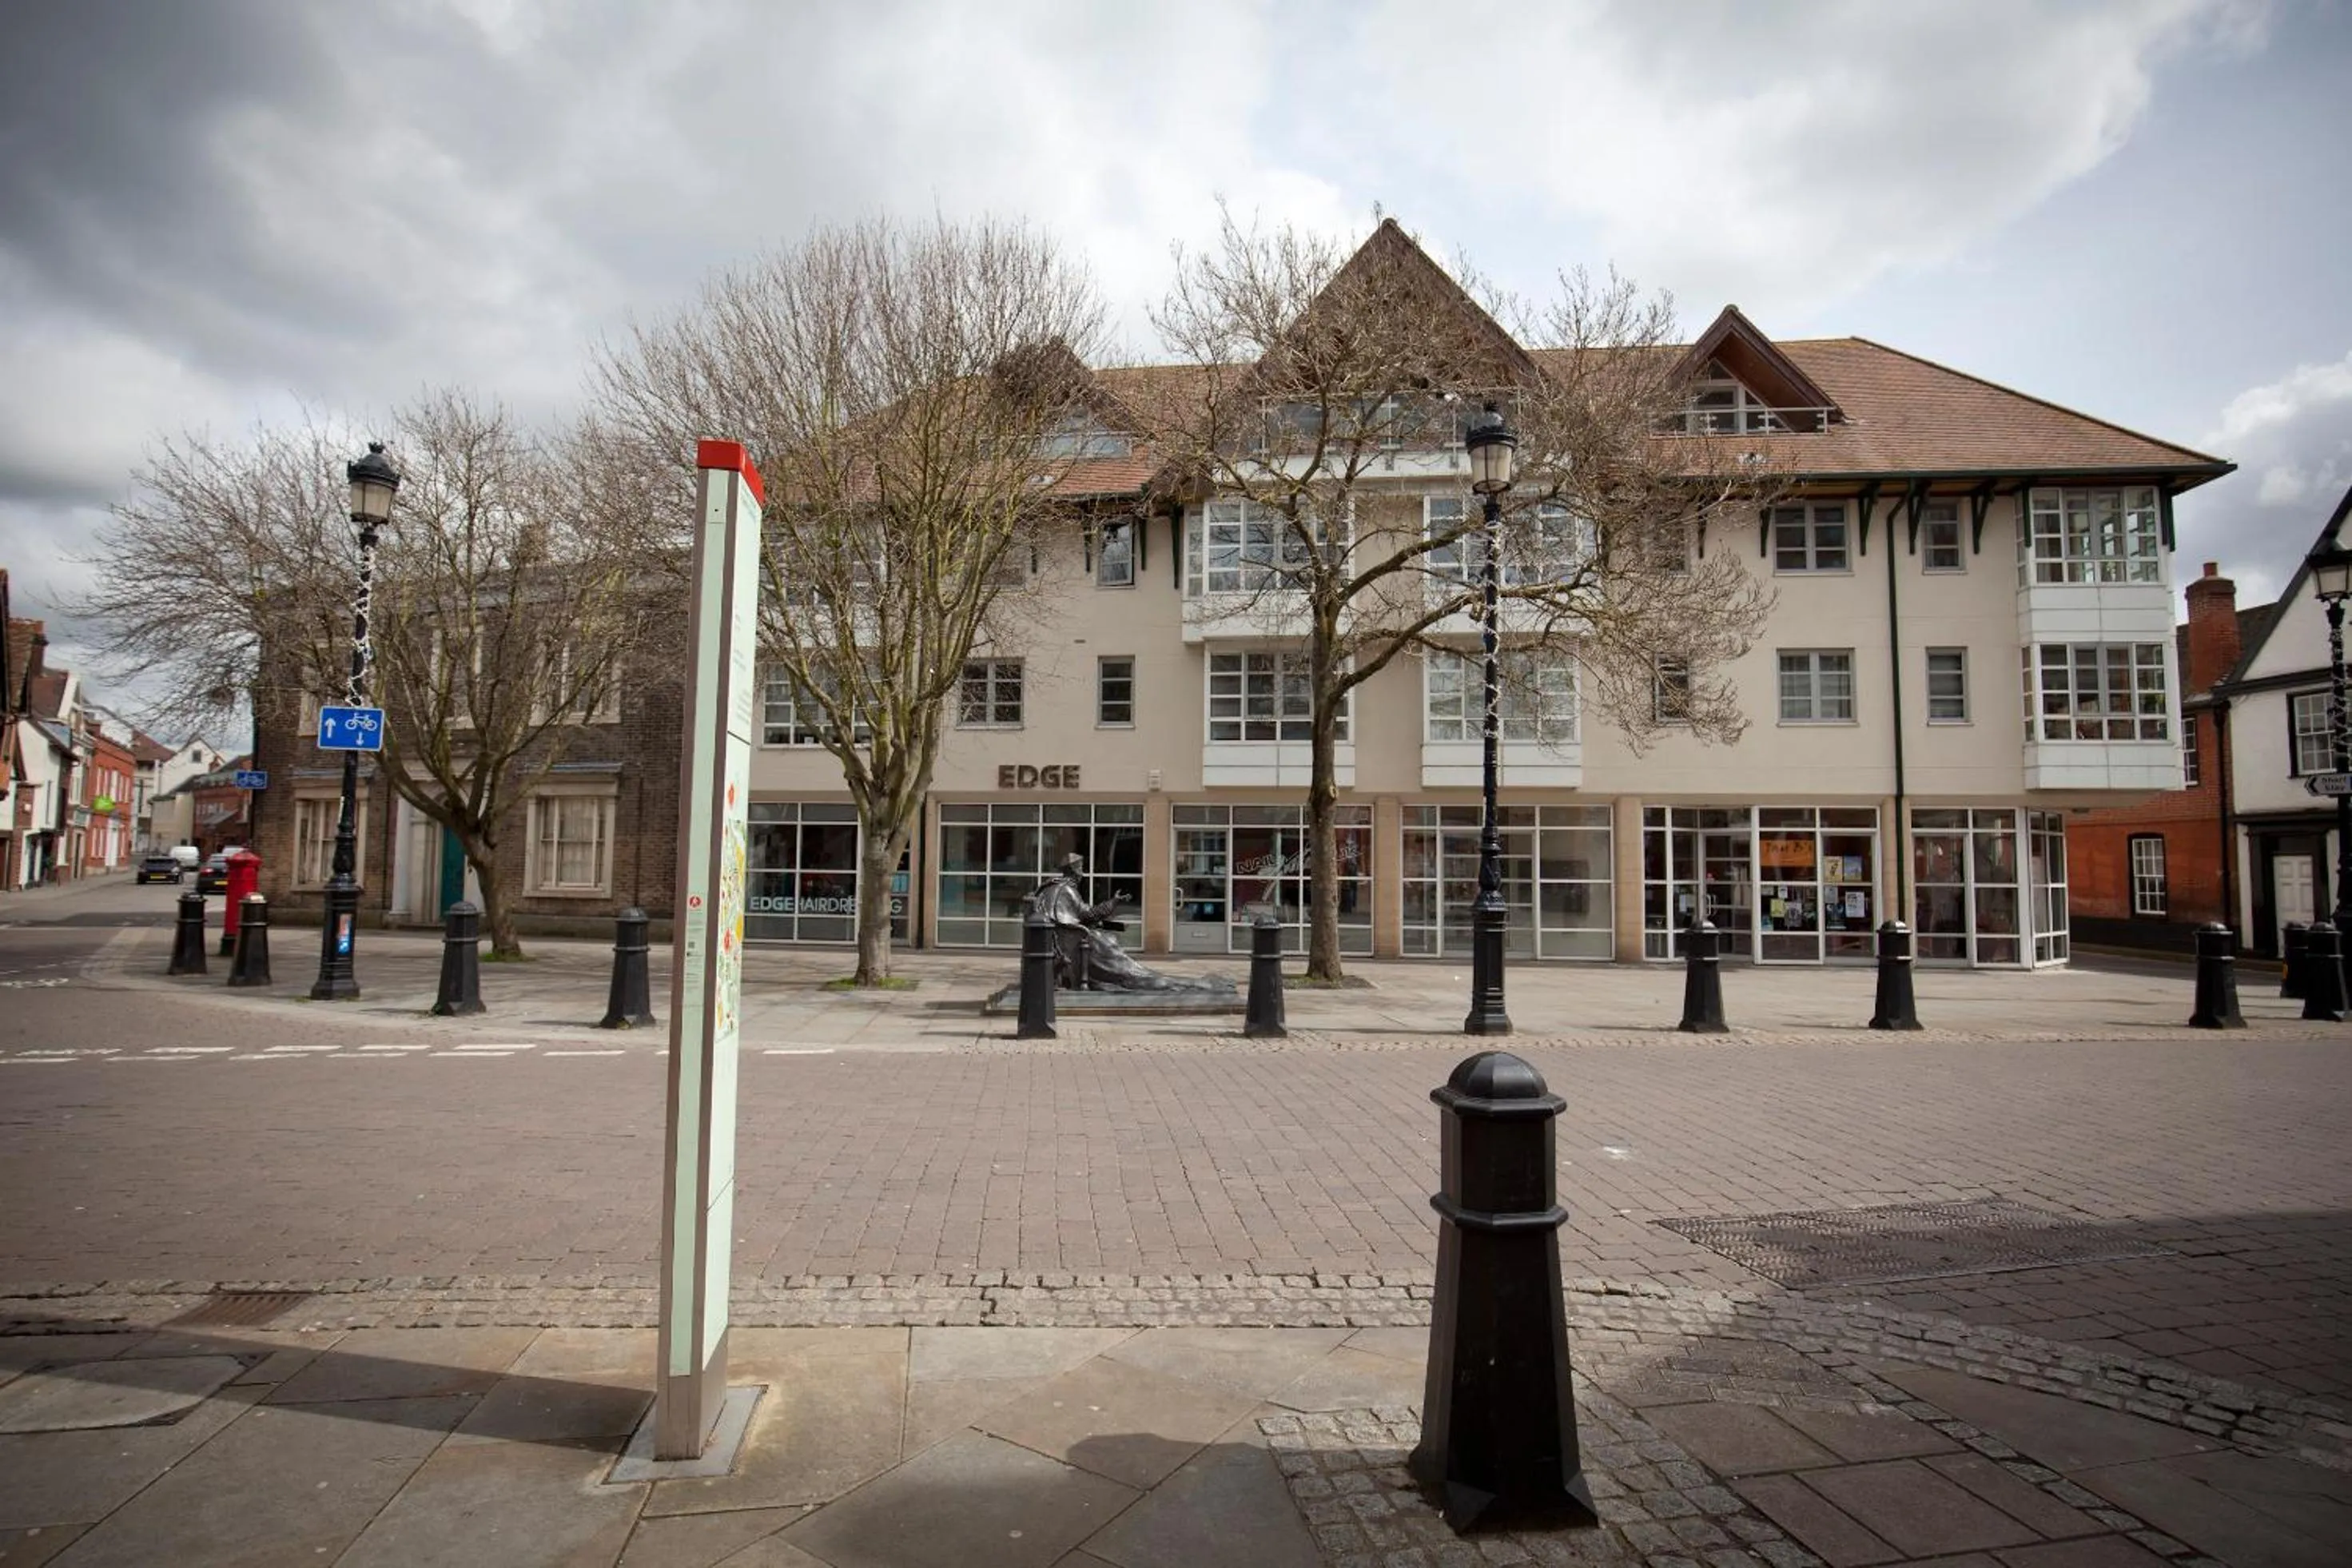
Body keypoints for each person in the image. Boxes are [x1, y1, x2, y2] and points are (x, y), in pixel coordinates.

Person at [1030, 853, 1218, 992]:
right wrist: (1114, 902)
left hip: (1062, 941)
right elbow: (1088, 915)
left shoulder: (1049, 888)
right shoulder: (1068, 890)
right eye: (1081, 870)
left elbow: (1078, 917)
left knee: (1121, 956)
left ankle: (1181, 982)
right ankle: (1190, 984)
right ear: (1076, 872)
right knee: (1133, 973)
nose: (1083, 874)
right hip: (1076, 944)